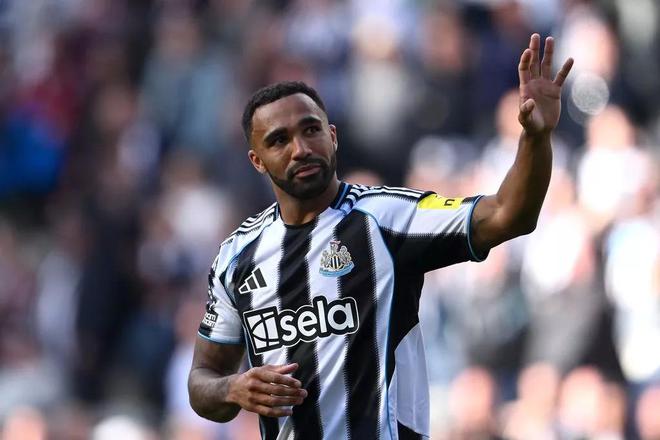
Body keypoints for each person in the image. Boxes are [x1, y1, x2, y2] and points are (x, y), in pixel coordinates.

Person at [188, 34, 573, 439]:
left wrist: (536, 138)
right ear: (257, 161)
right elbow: (202, 379)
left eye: (311, 130)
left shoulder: (386, 218)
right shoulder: (237, 256)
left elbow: (509, 215)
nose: (300, 149)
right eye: (279, 140)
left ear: (333, 136)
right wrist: (232, 388)